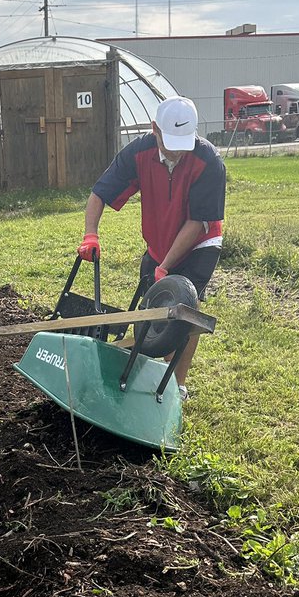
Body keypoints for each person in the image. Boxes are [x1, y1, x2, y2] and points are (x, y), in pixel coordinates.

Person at [77, 96, 225, 398]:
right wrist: (90, 235)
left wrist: (166, 267)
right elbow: (100, 193)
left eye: (183, 142)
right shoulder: (138, 153)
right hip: (159, 242)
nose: (177, 151)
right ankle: (154, 376)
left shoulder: (208, 161)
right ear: (154, 128)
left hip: (198, 242)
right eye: (170, 141)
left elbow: (197, 222)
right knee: (151, 312)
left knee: (184, 309)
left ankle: (177, 387)